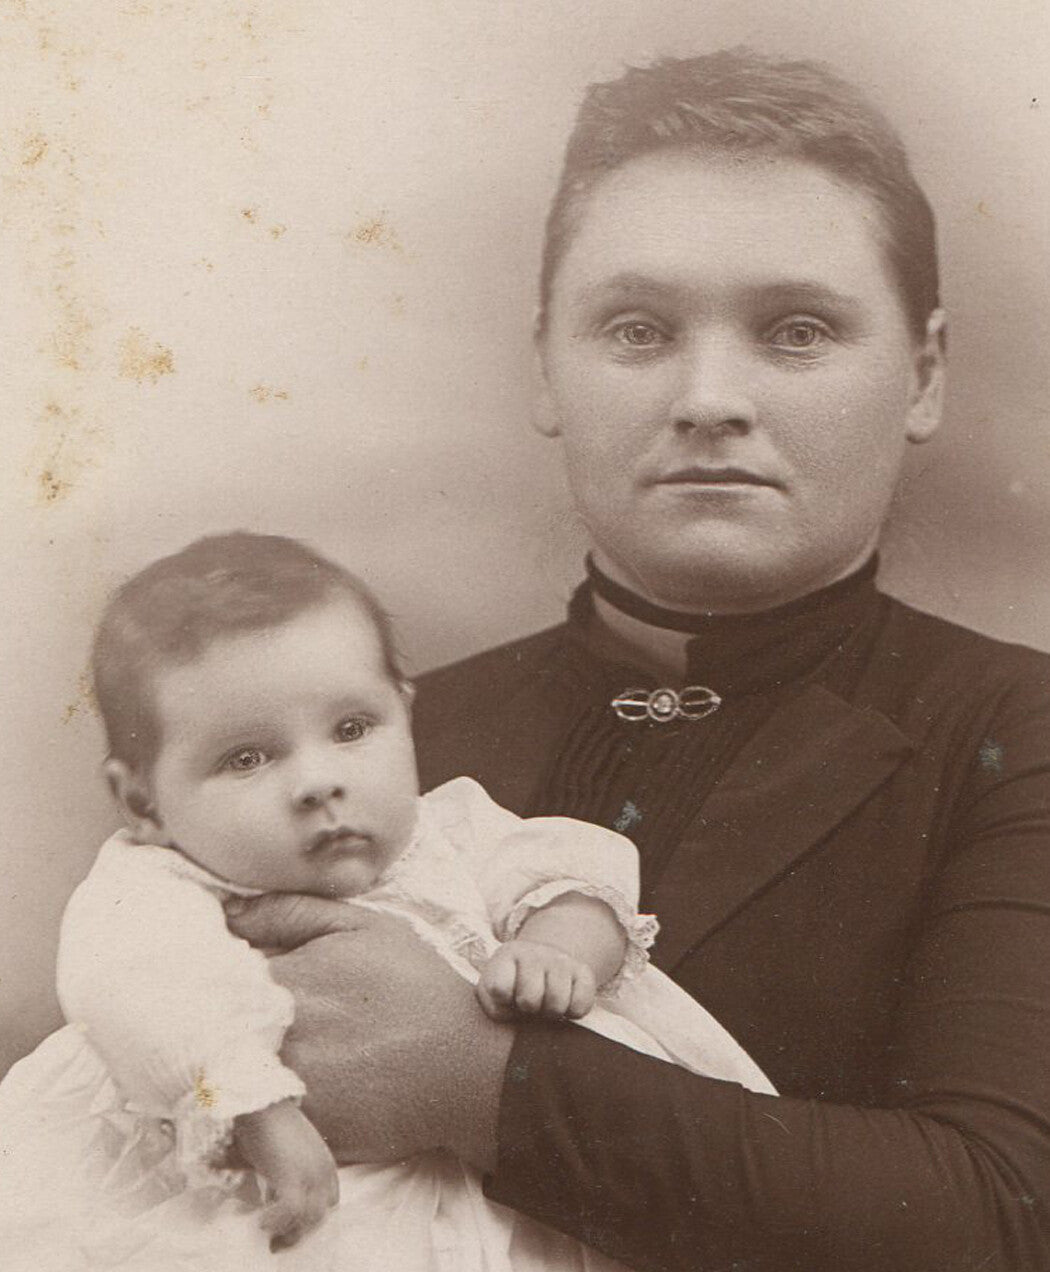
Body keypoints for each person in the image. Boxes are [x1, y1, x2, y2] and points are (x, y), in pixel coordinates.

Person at [220, 50, 1050, 1271]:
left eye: (799, 330)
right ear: (545, 361)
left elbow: (1002, 1214)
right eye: (637, 328)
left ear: (923, 374)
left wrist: (484, 1081)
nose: (709, 396)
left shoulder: (1011, 732)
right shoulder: (384, 741)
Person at [0, 531, 772, 1272]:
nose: (317, 782)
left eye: (350, 728)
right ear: (140, 800)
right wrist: (261, 1115)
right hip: (274, 1167)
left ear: (404, 712)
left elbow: (578, 869)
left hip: (500, 1179)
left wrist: (560, 947)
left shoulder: (449, 830)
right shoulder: (153, 886)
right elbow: (139, 993)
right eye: (246, 757)